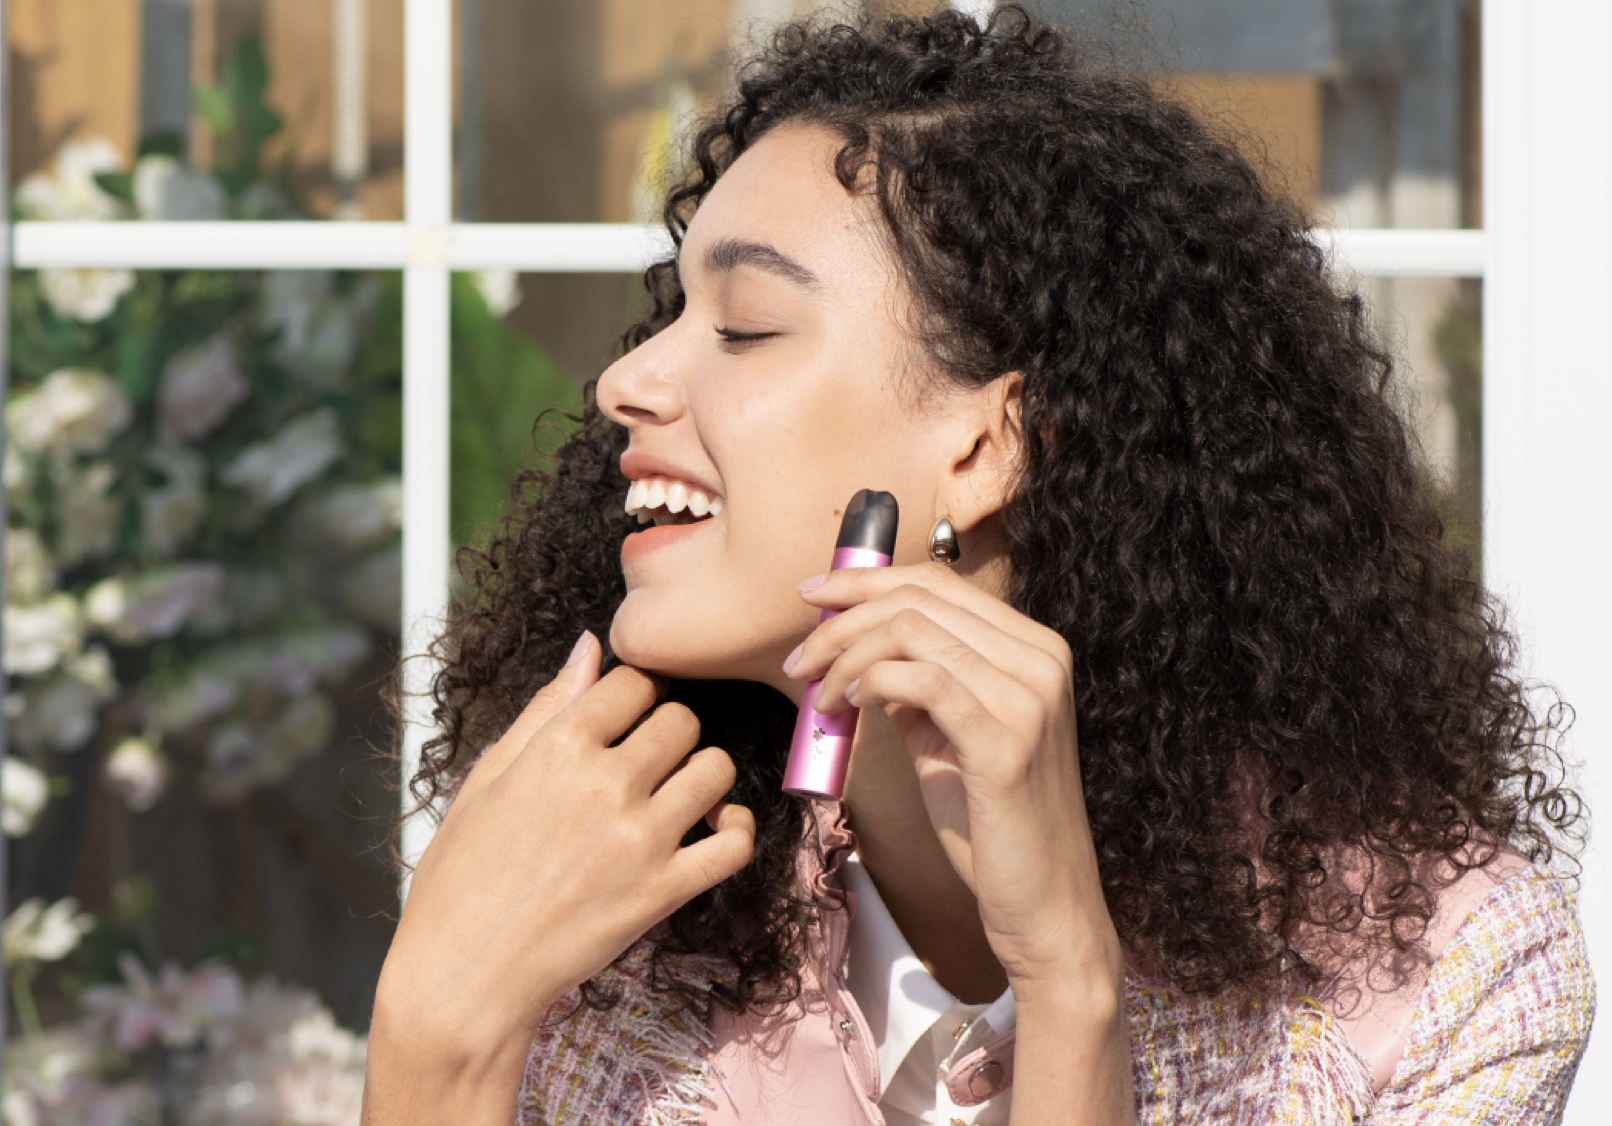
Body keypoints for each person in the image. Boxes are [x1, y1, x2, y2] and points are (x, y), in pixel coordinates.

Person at [360, 8, 1594, 1125]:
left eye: (742, 324)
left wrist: (1070, 979)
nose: (625, 380)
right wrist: (436, 1029)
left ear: (987, 446)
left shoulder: (1443, 981)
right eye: (668, 314)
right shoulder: (596, 937)